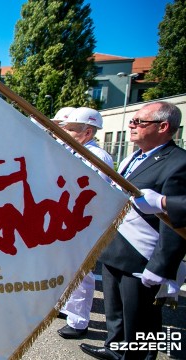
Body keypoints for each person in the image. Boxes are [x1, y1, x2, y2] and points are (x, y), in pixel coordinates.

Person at [80, 101, 186, 360]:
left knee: (141, 323)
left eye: (139, 122)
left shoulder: (178, 162)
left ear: (163, 127)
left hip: (143, 255)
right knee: (116, 314)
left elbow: (176, 222)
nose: (132, 125)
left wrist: (161, 267)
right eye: (132, 121)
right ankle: (115, 349)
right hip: (116, 248)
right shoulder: (134, 156)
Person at [54, 107, 114, 340]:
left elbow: (88, 192)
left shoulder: (97, 157)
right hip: (67, 218)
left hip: (82, 221)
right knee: (67, 268)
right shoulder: (76, 151)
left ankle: (79, 322)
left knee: (80, 274)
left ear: (87, 132)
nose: (64, 132)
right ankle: (67, 308)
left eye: (70, 129)